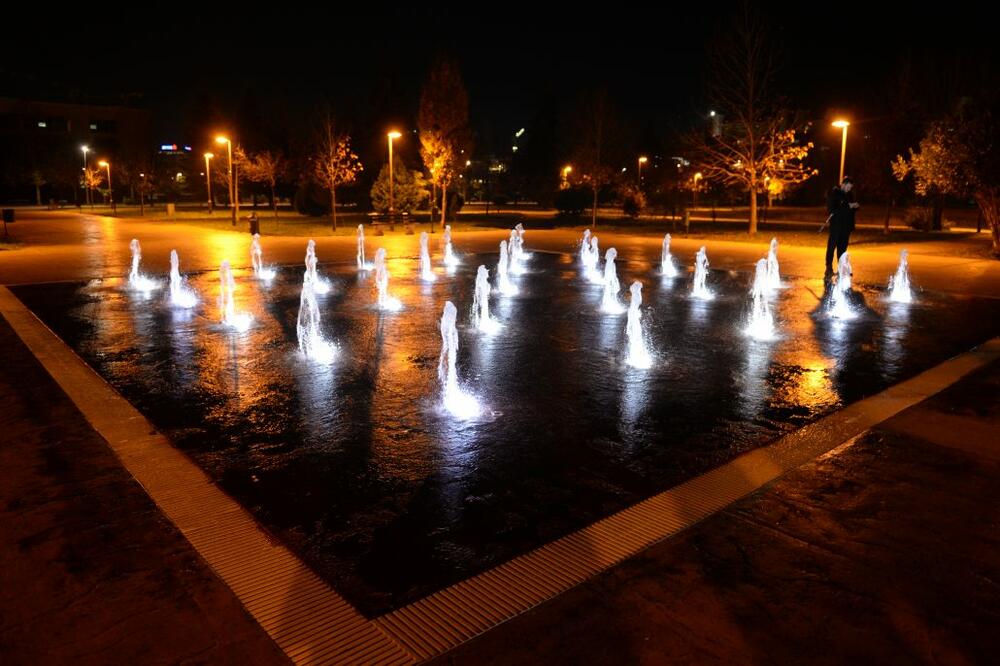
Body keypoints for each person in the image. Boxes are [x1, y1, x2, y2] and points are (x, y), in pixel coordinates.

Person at [825, 176, 859, 276]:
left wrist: (855, 207)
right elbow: (832, 210)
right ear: (843, 184)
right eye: (848, 187)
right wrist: (848, 206)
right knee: (832, 247)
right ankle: (828, 267)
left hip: (846, 226)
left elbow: (849, 209)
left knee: (843, 249)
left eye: (850, 188)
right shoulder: (834, 194)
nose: (849, 189)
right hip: (836, 225)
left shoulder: (850, 195)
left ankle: (842, 268)